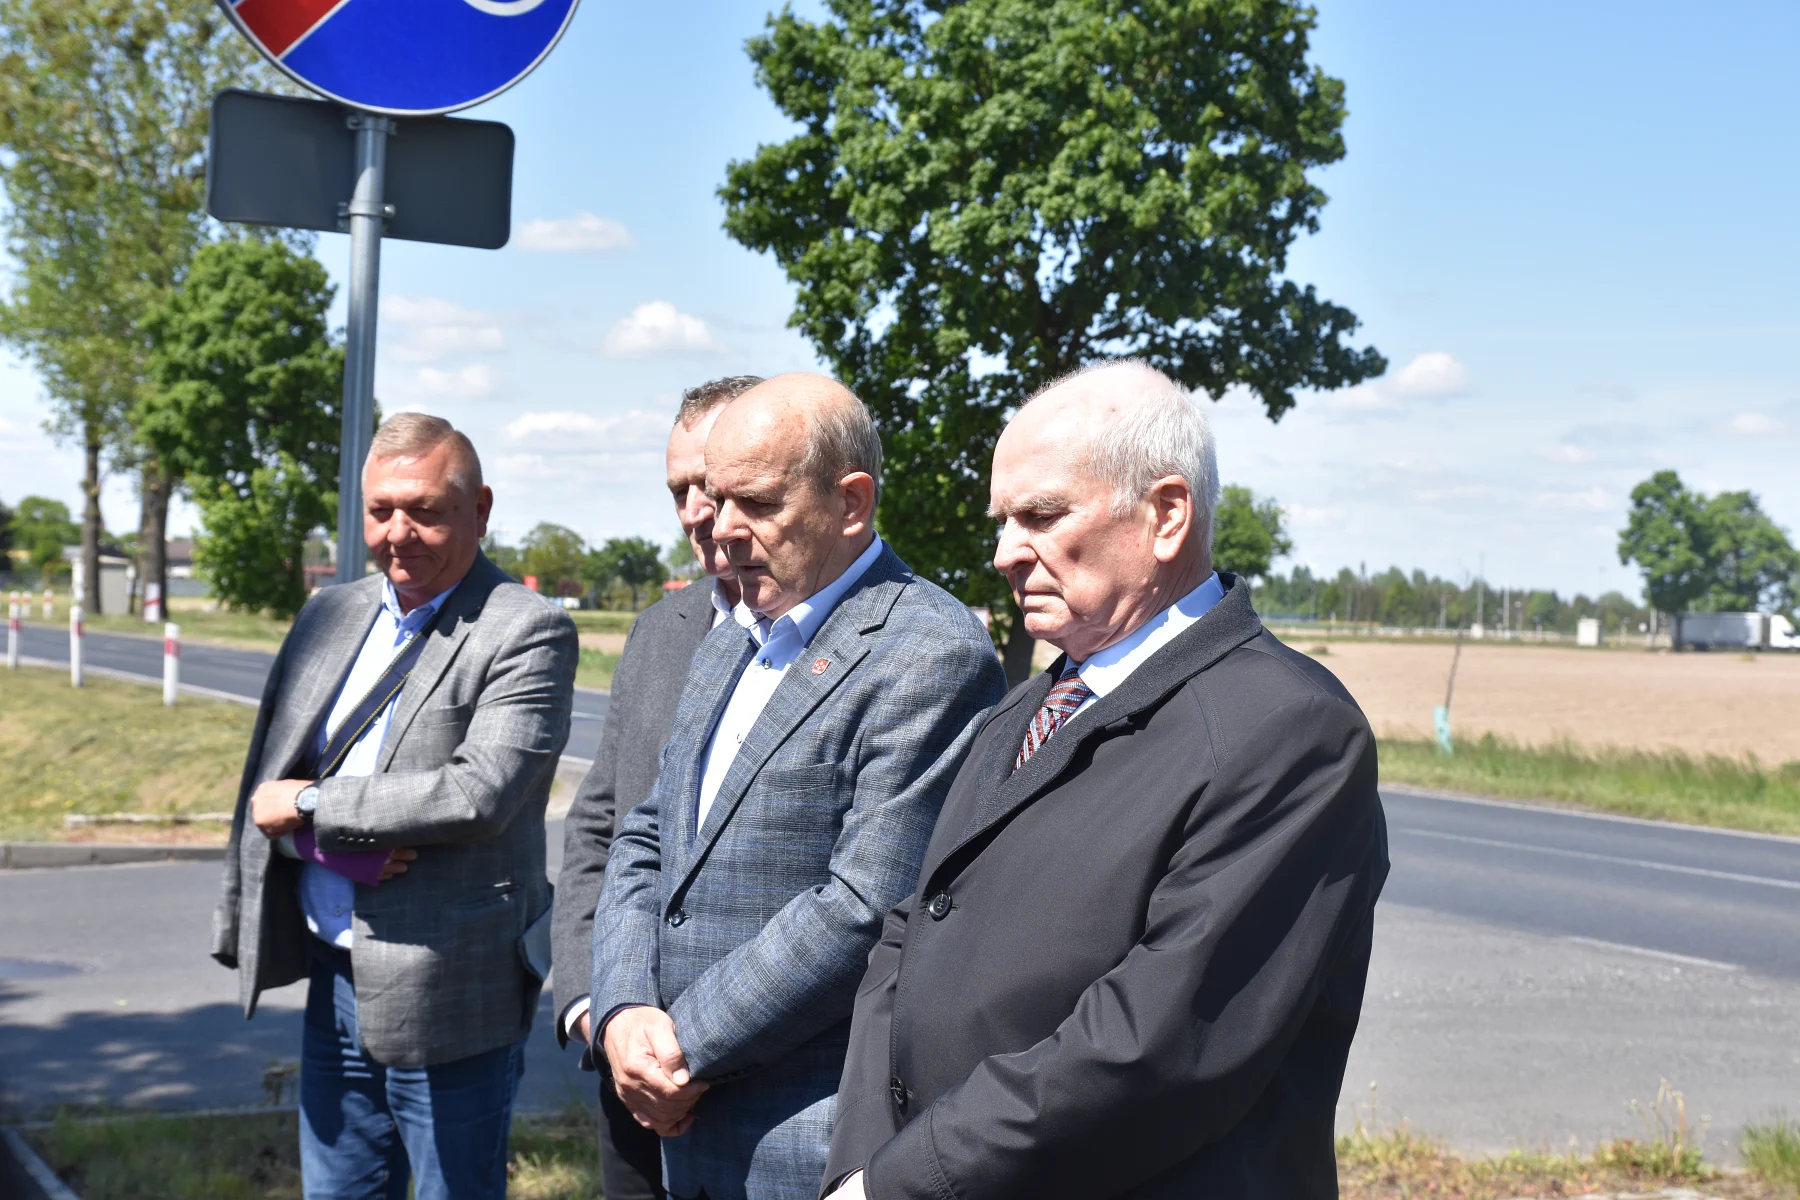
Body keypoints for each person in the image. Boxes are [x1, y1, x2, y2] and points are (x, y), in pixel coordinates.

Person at [822, 360, 1390, 1200]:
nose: (1004, 553)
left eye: (1041, 516)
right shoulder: (1026, 709)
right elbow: (912, 931)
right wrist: (862, 1163)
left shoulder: (1288, 729)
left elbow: (1153, 1050)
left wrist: (903, 1182)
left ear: (1166, 515)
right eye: (1004, 521)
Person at [589, 373, 1008, 1200]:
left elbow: (864, 905)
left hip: (802, 1145)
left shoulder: (931, 653)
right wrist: (624, 1008)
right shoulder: (734, 635)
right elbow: (646, 834)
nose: (721, 527)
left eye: (757, 502)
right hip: (682, 1127)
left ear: (852, 503)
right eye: (717, 498)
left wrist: (682, 1046)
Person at [211, 413, 579, 1200]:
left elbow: (477, 793)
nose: (398, 533)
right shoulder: (330, 613)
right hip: (334, 974)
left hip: (452, 987)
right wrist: (314, 837)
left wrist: (315, 806)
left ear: (480, 509)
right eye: (380, 511)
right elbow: (268, 785)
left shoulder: (528, 629)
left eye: (425, 510)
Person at [552, 374, 764, 1200]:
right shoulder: (658, 631)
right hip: (627, 1072)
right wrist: (596, 1010)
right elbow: (597, 829)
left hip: (769, 1090)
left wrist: (696, 1044)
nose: (696, 512)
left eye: (714, 485)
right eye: (679, 490)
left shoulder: (860, 640)